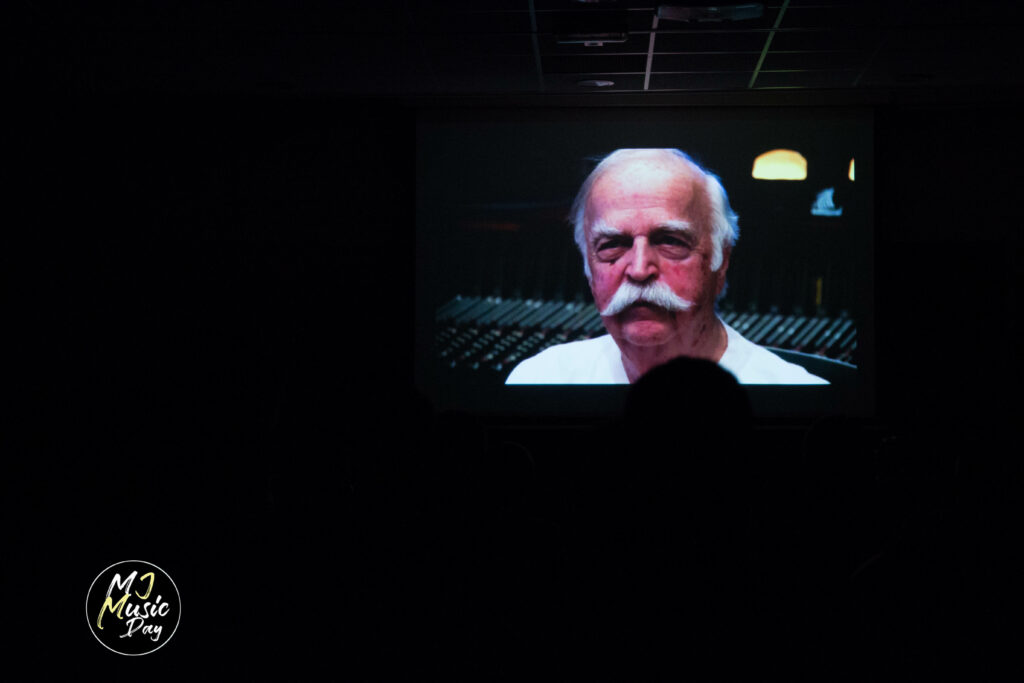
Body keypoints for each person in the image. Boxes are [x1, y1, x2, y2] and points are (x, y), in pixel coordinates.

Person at [505, 148, 827, 385]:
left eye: (670, 241)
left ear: (721, 261)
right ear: (588, 269)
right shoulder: (539, 381)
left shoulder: (798, 396)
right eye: (613, 244)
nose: (639, 269)